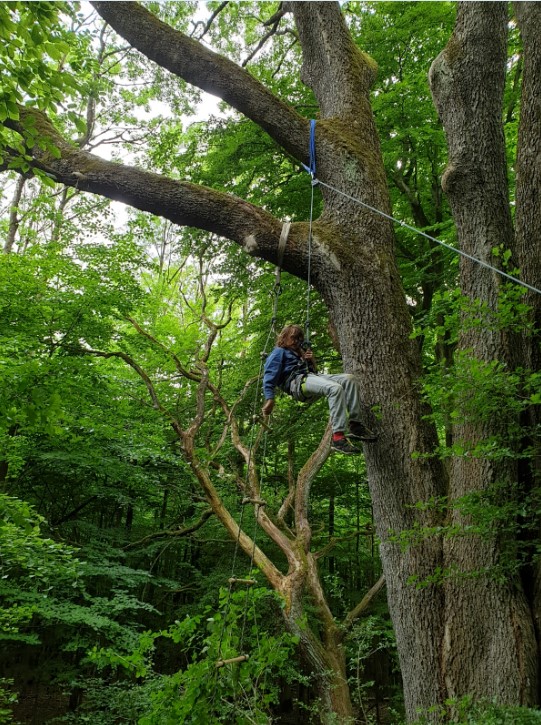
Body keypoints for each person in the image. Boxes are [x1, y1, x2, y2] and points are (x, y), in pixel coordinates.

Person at [261, 324, 377, 454]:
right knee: (335, 388)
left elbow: (314, 373)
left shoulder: (300, 354)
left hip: (310, 378)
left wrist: (311, 361)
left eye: (299, 339)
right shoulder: (278, 352)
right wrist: (270, 398)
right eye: (293, 337)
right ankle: (338, 438)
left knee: (349, 379)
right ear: (284, 337)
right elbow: (269, 376)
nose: (296, 341)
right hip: (298, 384)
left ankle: (355, 424)